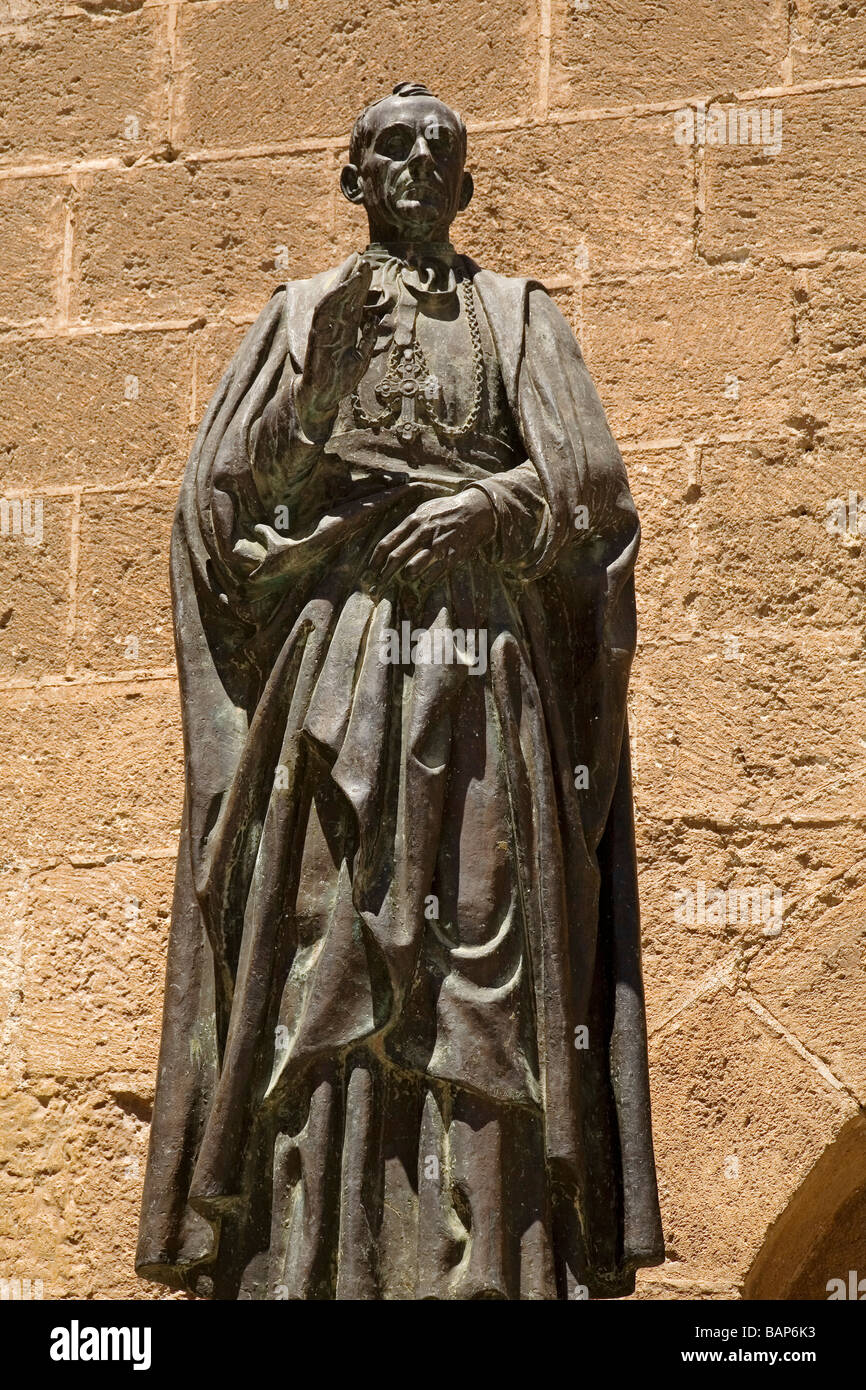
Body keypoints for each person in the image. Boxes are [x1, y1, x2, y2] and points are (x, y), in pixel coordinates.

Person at [137, 81, 664, 1300]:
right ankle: (309, 1260)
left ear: (467, 185)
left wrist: (498, 501)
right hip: (342, 675)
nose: (419, 159)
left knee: (488, 953)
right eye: (391, 145)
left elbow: (598, 504)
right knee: (332, 950)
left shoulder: (518, 319)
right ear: (353, 180)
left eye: (442, 147)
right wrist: (315, 486)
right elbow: (218, 515)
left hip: (485, 683)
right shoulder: (300, 315)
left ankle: (500, 1269)